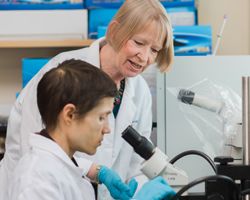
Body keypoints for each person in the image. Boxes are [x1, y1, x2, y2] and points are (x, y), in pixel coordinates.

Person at [0, 0, 174, 199]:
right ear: (115, 32)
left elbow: (137, 164)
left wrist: (141, 192)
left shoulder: (140, 90)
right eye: (138, 42)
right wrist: (96, 171)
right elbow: (36, 149)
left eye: (154, 50)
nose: (144, 57)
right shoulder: (61, 74)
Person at [5, 59, 176, 200]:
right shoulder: (35, 181)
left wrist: (99, 172)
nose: (107, 129)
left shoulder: (60, 165)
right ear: (70, 115)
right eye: (102, 117)